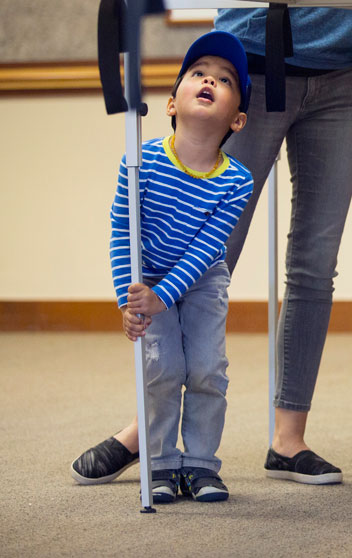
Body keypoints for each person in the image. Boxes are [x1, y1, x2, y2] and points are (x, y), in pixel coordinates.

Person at [71, 7, 352, 487]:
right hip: (250, 59)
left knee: (316, 262)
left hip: (340, 70)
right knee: (205, 256)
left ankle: (289, 440)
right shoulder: (209, 94)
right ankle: (148, 429)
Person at [93, 31, 254, 503]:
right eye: (198, 73)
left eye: (224, 79)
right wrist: (131, 298)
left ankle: (201, 463)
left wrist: (167, 294)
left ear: (238, 119)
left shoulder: (237, 181)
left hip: (201, 279)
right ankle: (161, 462)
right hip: (148, 280)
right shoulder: (139, 162)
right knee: (161, 369)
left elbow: (208, 249)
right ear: (170, 103)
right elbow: (123, 233)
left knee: (207, 369)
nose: (209, 80)